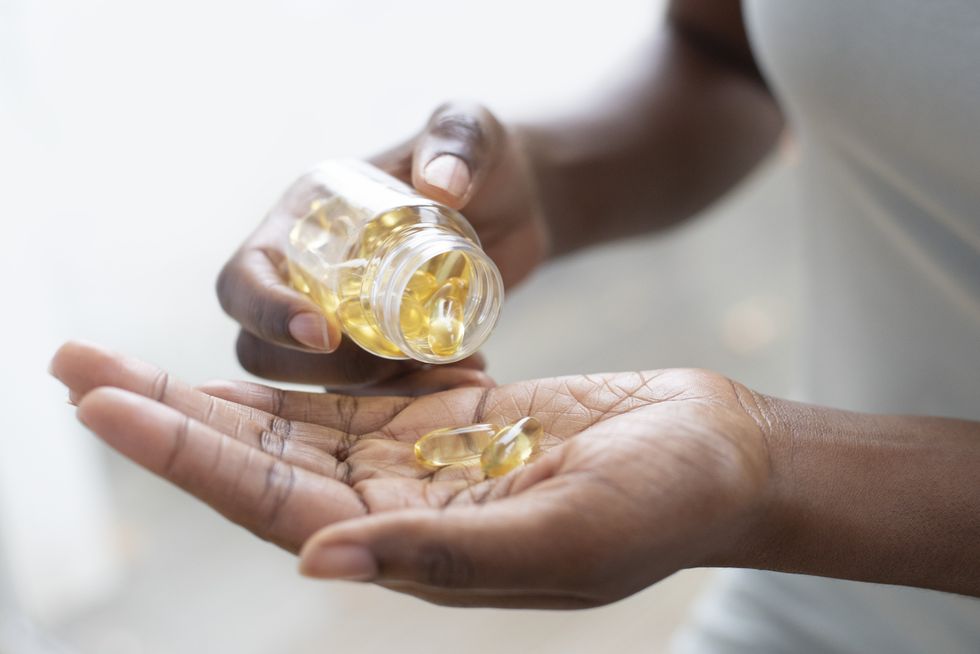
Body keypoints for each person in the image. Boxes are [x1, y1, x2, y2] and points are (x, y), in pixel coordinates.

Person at [50, 0, 979, 651]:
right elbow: (730, 55)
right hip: (818, 606)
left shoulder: (778, 484)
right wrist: (546, 175)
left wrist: (784, 474)